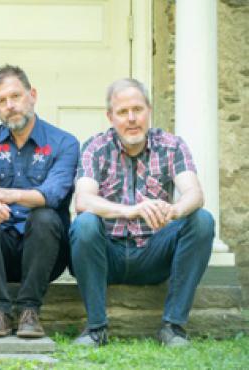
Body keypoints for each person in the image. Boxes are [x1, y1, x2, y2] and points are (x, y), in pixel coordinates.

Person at [70, 78, 214, 347]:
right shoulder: (95, 147)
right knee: (85, 223)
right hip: (107, 255)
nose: (132, 118)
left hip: (153, 253)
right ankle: (96, 329)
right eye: (122, 112)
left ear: (149, 110)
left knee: (202, 221)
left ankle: (173, 327)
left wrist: (174, 210)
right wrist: (132, 210)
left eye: (138, 109)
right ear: (110, 116)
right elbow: (83, 200)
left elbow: (195, 194)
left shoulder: (172, 145)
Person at [0, 65, 79, 338]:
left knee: (45, 215)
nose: (10, 106)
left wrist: (9, 195)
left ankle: (29, 310)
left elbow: (53, 193)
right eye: (1, 101)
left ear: (33, 95)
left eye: (15, 96)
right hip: (1, 253)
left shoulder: (64, 143)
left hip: (45, 252)